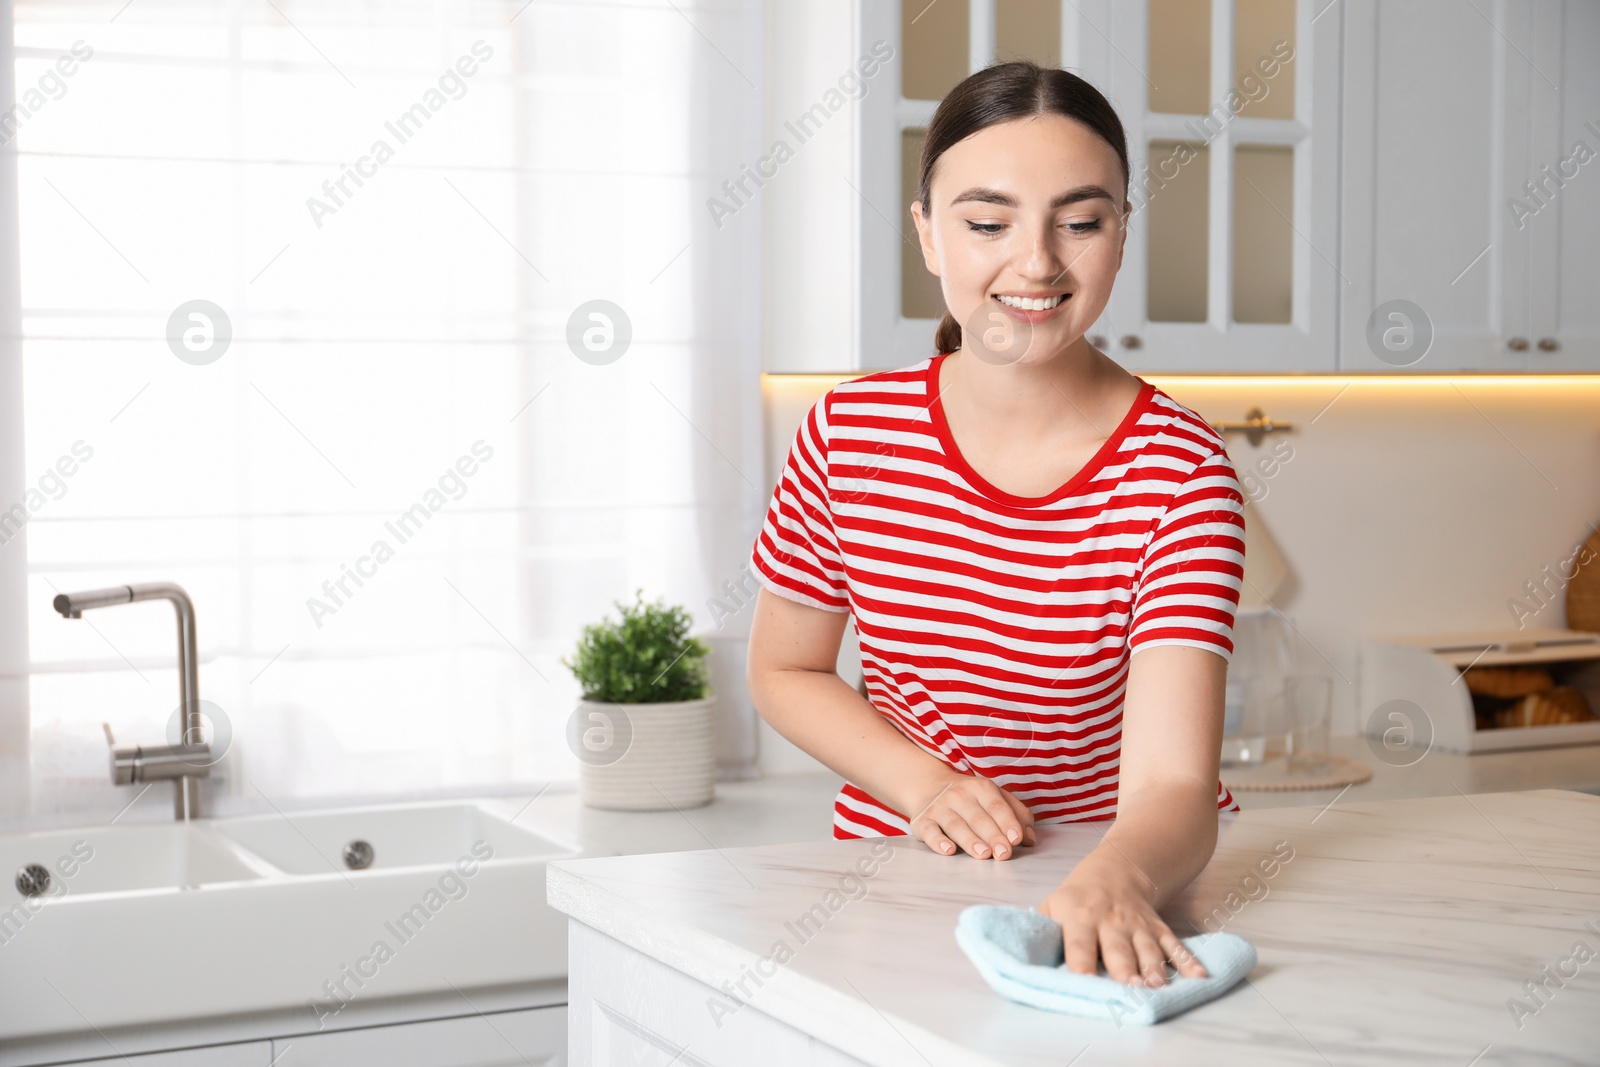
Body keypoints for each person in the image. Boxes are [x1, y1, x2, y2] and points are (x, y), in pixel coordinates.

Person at [745, 60, 1244, 990]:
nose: (1038, 262)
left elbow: (1177, 787)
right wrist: (925, 786)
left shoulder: (1179, 471)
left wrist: (1112, 882)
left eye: (1081, 222)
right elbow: (785, 668)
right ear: (928, 234)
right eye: (987, 223)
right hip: (896, 880)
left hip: (1119, 891)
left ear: (1123, 235)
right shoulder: (848, 435)